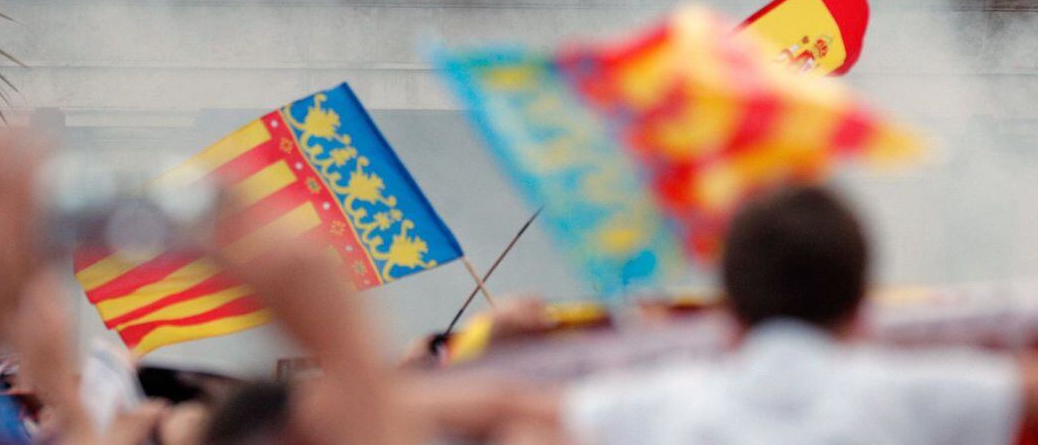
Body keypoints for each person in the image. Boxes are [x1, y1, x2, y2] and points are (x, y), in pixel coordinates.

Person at [419, 185, 1038, 445]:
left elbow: (501, 406)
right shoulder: (919, 396)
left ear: (729, 309)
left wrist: (483, 347)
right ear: (861, 306)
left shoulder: (664, 403)